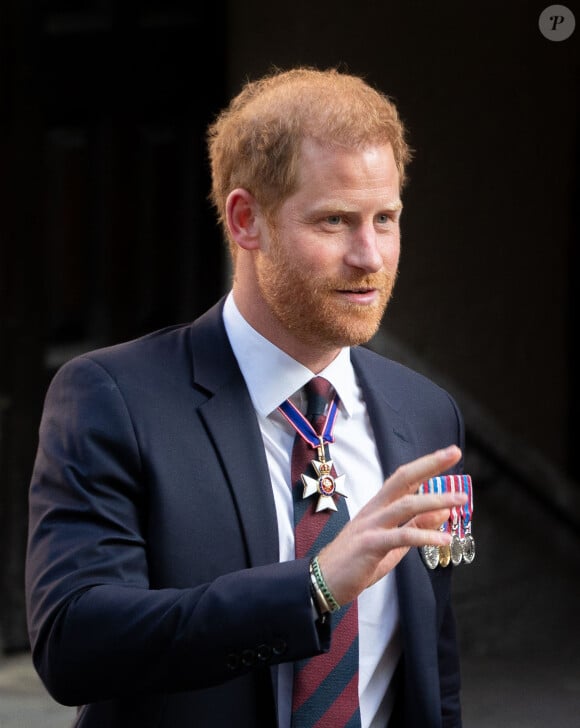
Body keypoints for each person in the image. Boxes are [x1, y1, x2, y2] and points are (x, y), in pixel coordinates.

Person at [25, 66, 468, 728]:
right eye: (335, 221)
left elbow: (431, 669)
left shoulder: (427, 414)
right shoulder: (113, 398)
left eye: (386, 217)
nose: (370, 256)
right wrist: (312, 587)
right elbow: (74, 643)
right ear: (245, 220)